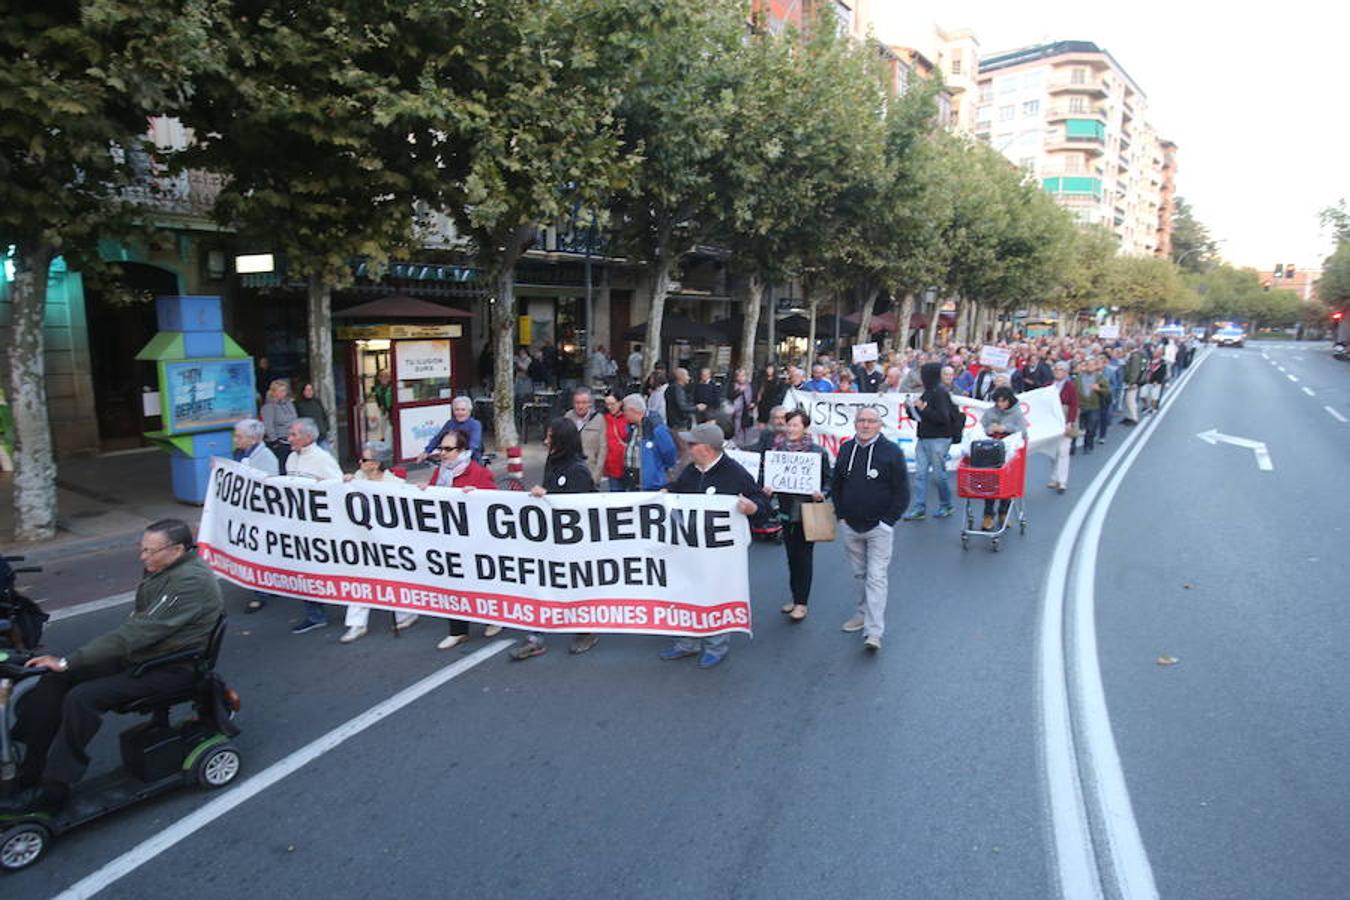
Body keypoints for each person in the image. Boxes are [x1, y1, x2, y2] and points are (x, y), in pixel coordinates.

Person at [2, 520, 220, 815]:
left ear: (178, 550)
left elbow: (136, 634)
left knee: (82, 697)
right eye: (141, 549)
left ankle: (54, 788)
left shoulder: (189, 582)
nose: (143, 557)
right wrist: (67, 666)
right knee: (56, 678)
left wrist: (69, 659)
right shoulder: (166, 568)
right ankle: (28, 765)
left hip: (171, 667)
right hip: (146, 654)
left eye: (150, 551)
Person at [659, 423, 767, 668]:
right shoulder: (691, 470)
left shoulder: (734, 473)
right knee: (686, 591)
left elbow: (761, 502)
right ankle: (687, 643)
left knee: (716, 594)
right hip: (689, 547)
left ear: (706, 449)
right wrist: (665, 492)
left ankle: (716, 646)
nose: (687, 447)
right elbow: (679, 490)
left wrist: (753, 507)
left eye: (692, 444)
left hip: (720, 553)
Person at [510, 419, 598, 661]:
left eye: (551, 437)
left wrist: (548, 495)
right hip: (550, 539)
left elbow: (576, 507)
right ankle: (535, 637)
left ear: (562, 441)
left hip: (574, 545)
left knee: (576, 587)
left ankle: (585, 632)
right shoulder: (553, 461)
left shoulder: (578, 470)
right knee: (542, 584)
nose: (546, 440)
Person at [831, 408, 909, 652]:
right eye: (861, 421)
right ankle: (862, 613)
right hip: (851, 526)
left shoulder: (892, 453)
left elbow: (902, 492)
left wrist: (888, 521)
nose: (865, 425)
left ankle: (874, 631)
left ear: (879, 425)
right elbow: (836, 485)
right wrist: (841, 515)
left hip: (879, 528)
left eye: (871, 421)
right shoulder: (845, 449)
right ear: (855, 423)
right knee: (860, 575)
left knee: (876, 577)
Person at [421, 429, 503, 649]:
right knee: (453, 582)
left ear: (462, 450)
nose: (443, 453)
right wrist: (424, 492)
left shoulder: (477, 472)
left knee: (480, 581)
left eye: (448, 449)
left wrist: (476, 496)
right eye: (441, 448)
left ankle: (493, 617)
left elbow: (494, 503)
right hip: (448, 538)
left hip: (475, 540)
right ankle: (458, 630)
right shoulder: (441, 474)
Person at [338, 442, 416, 644]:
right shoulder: (357, 479)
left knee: (395, 578)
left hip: (389, 541)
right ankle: (357, 624)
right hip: (363, 540)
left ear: (376, 463)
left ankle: (406, 614)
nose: (360, 463)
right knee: (360, 578)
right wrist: (345, 482)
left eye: (364, 460)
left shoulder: (394, 484)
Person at [761, 410, 831, 623]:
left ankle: (802, 603)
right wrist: (768, 488)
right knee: (792, 558)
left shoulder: (818, 453)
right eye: (788, 425)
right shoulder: (778, 450)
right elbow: (767, 476)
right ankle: (795, 597)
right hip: (786, 511)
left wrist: (822, 494)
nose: (791, 429)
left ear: (805, 428)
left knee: (804, 558)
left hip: (808, 512)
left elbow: (829, 481)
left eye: (795, 425)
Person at [284, 418, 344, 633]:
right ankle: (315, 614)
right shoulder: (291, 458)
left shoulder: (322, 459)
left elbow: (338, 487)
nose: (289, 439)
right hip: (299, 525)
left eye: (293, 435)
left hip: (320, 526)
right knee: (303, 570)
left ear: (308, 437)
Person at [233, 418, 279, 613]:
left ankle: (261, 593)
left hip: (259, 515)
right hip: (247, 513)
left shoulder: (266, 458)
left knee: (256, 553)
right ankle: (270, 586)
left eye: (239, 436)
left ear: (252, 439)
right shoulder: (240, 453)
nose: (235, 439)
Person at [903, 362, 959, 521]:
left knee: (938, 475)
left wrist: (923, 408)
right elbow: (921, 417)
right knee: (920, 475)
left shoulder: (940, 393)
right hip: (924, 437)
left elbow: (942, 418)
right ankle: (919, 507)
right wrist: (910, 409)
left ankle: (946, 504)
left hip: (939, 438)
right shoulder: (928, 392)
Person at [977, 387, 1027, 530]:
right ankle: (988, 515)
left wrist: (1005, 428)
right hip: (991, 452)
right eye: (997, 401)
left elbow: (1023, 431)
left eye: (1003, 401)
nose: (1000, 404)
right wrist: (989, 429)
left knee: (1007, 483)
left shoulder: (1016, 412)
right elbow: (981, 427)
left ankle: (1003, 512)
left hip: (1009, 452)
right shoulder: (990, 412)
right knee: (990, 483)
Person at [617, 394, 677, 490]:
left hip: (651, 484)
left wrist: (656, 472)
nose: (624, 414)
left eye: (625, 411)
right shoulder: (631, 427)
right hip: (631, 480)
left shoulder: (657, 429)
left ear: (633, 410)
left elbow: (670, 454)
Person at [563, 386, 607, 485]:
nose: (580, 406)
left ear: (590, 404)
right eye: (577, 403)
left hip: (589, 471)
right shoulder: (568, 417)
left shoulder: (599, 420)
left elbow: (603, 450)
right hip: (569, 471)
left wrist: (596, 476)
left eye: (584, 403)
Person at [419, 396, 483, 463]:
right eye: (457, 410)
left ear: (469, 411)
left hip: (471, 459)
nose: (460, 413)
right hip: (451, 460)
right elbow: (438, 438)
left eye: (463, 410)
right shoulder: (450, 423)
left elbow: (474, 443)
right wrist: (426, 452)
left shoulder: (475, 424)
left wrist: (464, 454)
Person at [1050, 361, 1077, 493]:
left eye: (1061, 370)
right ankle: (1054, 477)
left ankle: (1062, 481)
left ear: (1066, 372)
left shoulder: (1070, 386)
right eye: (1056, 369)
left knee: (1063, 451)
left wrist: (1070, 422)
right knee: (1054, 451)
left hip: (1065, 420)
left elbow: (1073, 405)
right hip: (1052, 422)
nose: (1058, 372)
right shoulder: (1049, 386)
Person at [260, 378, 297, 469]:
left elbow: (295, 418)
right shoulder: (269, 407)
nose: (283, 393)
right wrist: (275, 441)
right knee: (282, 467)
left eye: (284, 391)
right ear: (274, 392)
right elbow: (268, 425)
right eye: (281, 391)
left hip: (292, 440)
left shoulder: (289, 403)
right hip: (280, 443)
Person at [600, 390, 630, 492]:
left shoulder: (628, 418)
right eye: (607, 404)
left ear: (620, 403)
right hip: (612, 465)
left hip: (627, 463)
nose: (609, 407)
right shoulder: (603, 419)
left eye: (612, 404)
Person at [294, 381, 331, 447]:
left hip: (321, 435)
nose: (309, 392)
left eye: (311, 389)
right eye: (307, 390)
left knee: (326, 454)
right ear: (303, 391)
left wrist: (326, 428)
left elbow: (324, 415)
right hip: (308, 437)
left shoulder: (317, 401)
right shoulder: (297, 404)